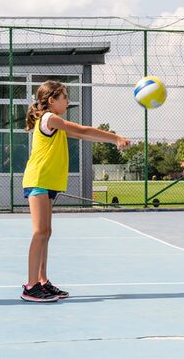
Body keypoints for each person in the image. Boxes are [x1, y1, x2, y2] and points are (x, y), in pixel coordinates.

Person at [21, 80, 130, 302]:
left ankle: (42, 281)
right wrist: (115, 138)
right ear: (51, 100)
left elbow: (82, 135)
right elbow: (82, 130)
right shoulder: (49, 118)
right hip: (38, 179)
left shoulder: (55, 123)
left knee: (46, 232)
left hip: (48, 182)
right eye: (64, 97)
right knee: (40, 232)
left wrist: (111, 140)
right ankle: (31, 286)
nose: (68, 101)